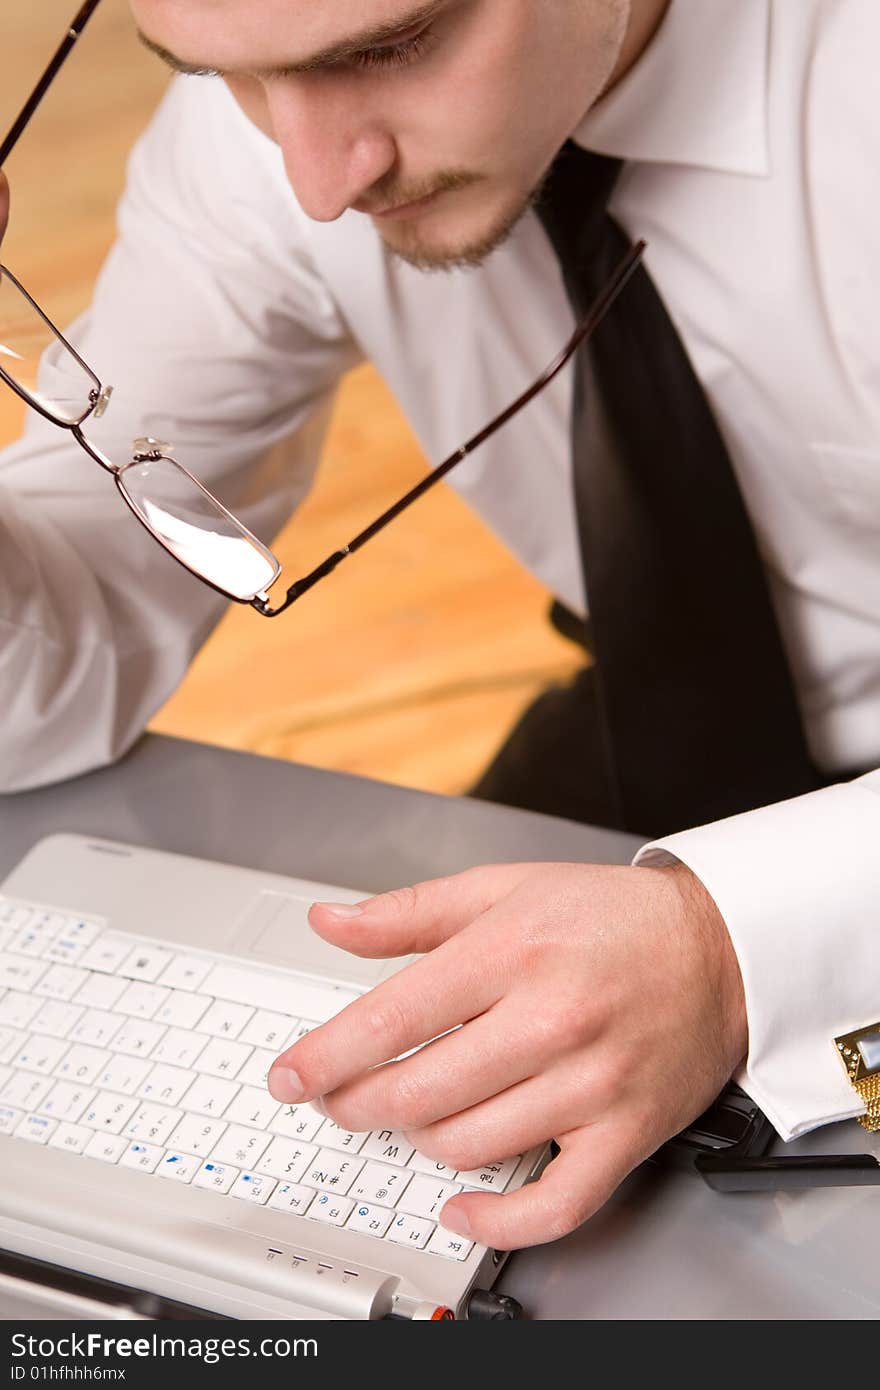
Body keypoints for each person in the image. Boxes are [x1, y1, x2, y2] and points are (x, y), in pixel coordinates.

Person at [0, 0, 877, 1252]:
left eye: (389, 47)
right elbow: (46, 684)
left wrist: (736, 947)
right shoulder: (268, 106)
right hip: (661, 711)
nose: (312, 181)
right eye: (212, 74)